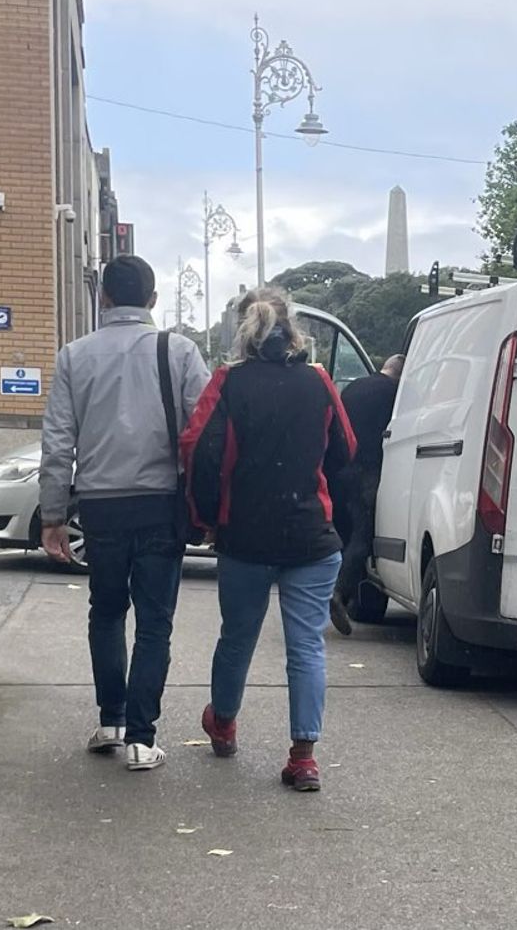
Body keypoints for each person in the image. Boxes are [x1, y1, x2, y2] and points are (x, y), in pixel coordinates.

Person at [39, 255, 209, 772]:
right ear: (153, 301)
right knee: (155, 622)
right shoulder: (178, 351)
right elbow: (203, 430)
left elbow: (57, 441)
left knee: (107, 612)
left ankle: (110, 719)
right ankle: (141, 738)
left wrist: (52, 514)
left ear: (104, 298)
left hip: (100, 505)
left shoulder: (75, 356)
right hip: (160, 502)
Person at [183, 288, 356, 792]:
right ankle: (303, 757)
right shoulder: (319, 382)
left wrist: (207, 518)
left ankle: (224, 723)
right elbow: (346, 450)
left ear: (244, 332)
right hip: (311, 537)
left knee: (237, 637)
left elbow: (199, 449)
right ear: (293, 330)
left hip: (245, 536)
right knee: (305, 647)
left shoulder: (229, 382)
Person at [331, 352, 404, 634]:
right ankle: (338, 593)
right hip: (369, 472)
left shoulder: (354, 387)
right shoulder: (396, 394)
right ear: (401, 375)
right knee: (364, 536)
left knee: (343, 533)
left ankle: (326, 589)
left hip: (341, 468)